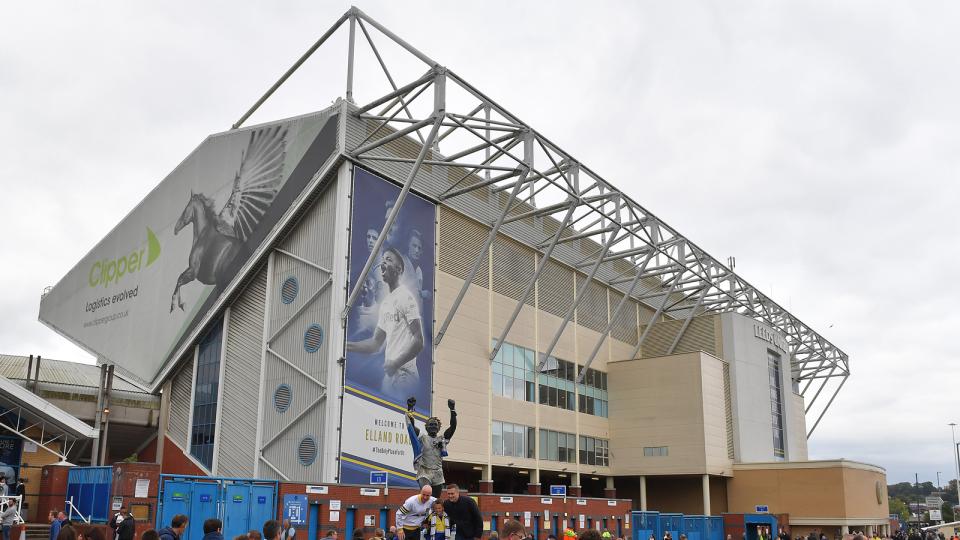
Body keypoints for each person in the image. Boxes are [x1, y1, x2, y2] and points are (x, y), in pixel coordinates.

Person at [347, 247, 425, 399]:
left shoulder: (406, 298)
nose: (383, 262)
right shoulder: (386, 303)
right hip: (390, 377)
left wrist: (396, 363)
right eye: (383, 259)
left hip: (405, 376)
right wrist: (345, 346)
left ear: (399, 269)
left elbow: (419, 340)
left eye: (388, 259)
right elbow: (375, 344)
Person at [405, 398, 457, 493]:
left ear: (438, 428)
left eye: (435, 425)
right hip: (424, 471)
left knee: (434, 501)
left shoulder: (443, 439)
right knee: (427, 491)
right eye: (431, 425)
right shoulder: (422, 437)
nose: (433, 426)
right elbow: (411, 427)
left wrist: (452, 410)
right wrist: (410, 408)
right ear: (426, 427)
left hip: (438, 472)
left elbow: (453, 427)